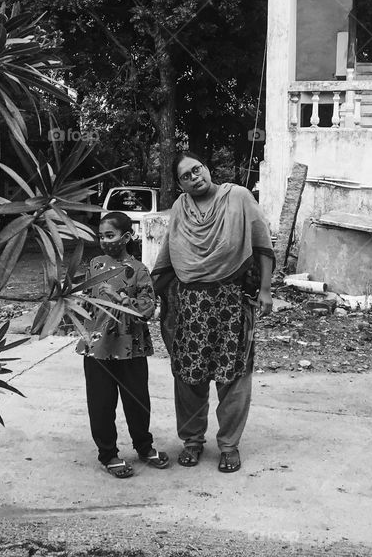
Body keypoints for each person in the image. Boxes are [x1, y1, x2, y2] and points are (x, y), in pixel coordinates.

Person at [152, 152, 274, 474]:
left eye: (197, 169)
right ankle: (192, 440)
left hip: (232, 299)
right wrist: (149, 293)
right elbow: (168, 254)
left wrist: (264, 290)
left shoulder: (238, 198)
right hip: (190, 303)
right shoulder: (181, 208)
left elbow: (262, 246)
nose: (195, 177)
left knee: (233, 375)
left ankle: (229, 445)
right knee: (189, 375)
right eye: (186, 176)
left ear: (207, 168)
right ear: (180, 185)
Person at [77, 211, 170, 477]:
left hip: (131, 346)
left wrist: (119, 298)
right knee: (100, 403)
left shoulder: (139, 270)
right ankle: (108, 454)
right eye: (101, 236)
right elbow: (86, 298)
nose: (105, 241)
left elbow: (147, 309)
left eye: (110, 235)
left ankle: (144, 446)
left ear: (126, 237)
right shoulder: (94, 264)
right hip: (97, 346)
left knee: (137, 400)